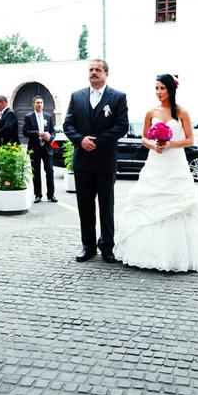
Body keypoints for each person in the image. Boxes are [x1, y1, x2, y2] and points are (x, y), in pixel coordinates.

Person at [114, 74, 198, 272]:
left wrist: (170, 144)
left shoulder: (182, 112)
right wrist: (154, 145)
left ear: (171, 89)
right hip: (156, 161)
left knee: (179, 204)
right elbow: (144, 138)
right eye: (156, 88)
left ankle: (178, 256)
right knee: (149, 202)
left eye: (162, 88)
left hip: (175, 163)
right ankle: (147, 254)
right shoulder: (151, 111)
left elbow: (189, 140)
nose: (159, 92)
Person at [63, 59, 128, 263]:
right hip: (82, 161)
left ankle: (107, 246)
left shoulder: (118, 97)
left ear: (106, 73)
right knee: (85, 206)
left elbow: (121, 126)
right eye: (91, 69)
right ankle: (88, 246)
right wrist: (81, 140)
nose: (93, 72)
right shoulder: (76, 96)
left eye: (97, 70)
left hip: (105, 161)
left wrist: (97, 141)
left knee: (106, 206)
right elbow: (68, 125)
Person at [23, 95, 57, 203]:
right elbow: (25, 131)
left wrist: (50, 138)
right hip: (34, 148)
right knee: (36, 172)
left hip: (47, 148)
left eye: (41, 102)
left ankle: (51, 195)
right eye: (37, 102)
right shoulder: (29, 117)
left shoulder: (48, 116)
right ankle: (38, 195)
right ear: (33, 104)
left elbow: (53, 131)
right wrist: (37, 133)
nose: (39, 104)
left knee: (50, 170)